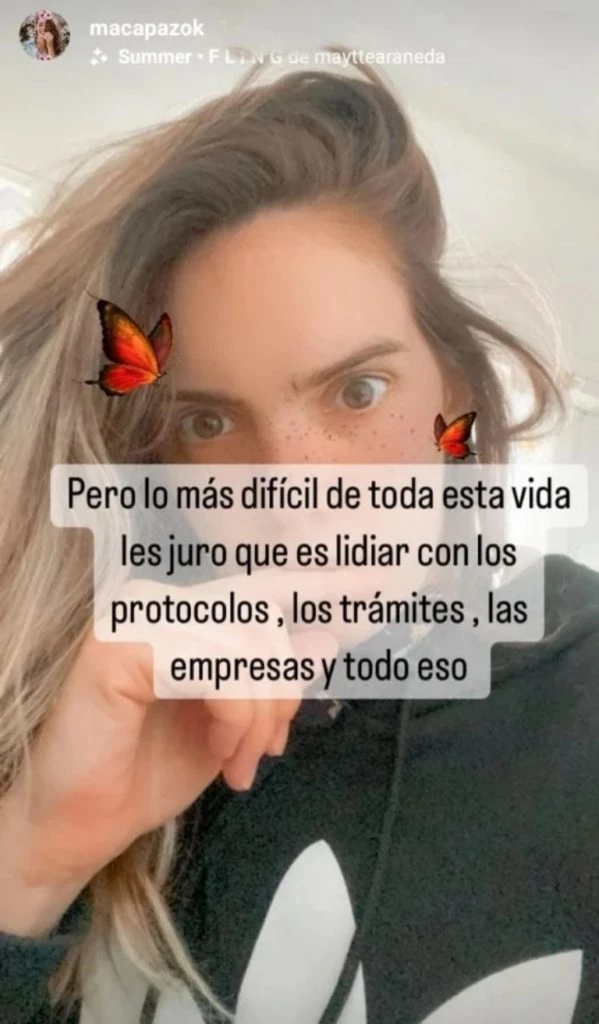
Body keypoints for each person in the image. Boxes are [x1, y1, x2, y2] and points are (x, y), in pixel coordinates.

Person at [0, 45, 597, 1024]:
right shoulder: (90, 691)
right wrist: (35, 854)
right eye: (206, 422)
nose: (296, 497)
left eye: (357, 392)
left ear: (450, 390)